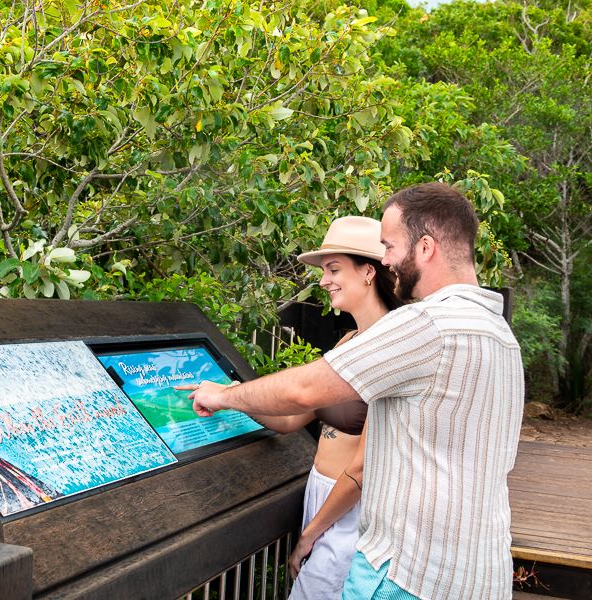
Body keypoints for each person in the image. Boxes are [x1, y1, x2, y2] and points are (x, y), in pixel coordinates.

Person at [185, 182, 524, 600]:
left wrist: (224, 396)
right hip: (477, 572)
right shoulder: (498, 333)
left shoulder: (428, 324)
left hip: (408, 573)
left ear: (425, 247)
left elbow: (305, 389)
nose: (386, 260)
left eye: (390, 247)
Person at [247, 216, 402, 599]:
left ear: (368, 272)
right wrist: (235, 398)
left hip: (349, 509)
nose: (323, 280)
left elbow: (362, 469)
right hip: (320, 497)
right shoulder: (348, 340)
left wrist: (310, 535)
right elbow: (291, 419)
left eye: (333, 269)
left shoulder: (391, 347)